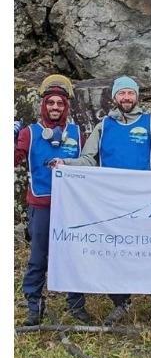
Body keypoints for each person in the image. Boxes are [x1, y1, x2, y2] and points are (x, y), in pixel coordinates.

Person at [51, 76, 151, 329]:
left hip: (145, 204)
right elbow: (88, 159)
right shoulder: (103, 125)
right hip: (113, 204)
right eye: (122, 94)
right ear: (114, 97)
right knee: (116, 253)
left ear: (137, 96)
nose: (126, 98)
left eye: (130, 93)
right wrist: (65, 164)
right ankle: (120, 302)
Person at [14, 74, 90, 325]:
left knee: (73, 254)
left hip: (71, 207)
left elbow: (91, 165)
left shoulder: (78, 134)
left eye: (59, 103)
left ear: (66, 106)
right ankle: (34, 305)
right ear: (43, 105)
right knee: (38, 257)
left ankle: (76, 305)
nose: (55, 107)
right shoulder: (30, 133)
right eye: (50, 103)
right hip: (41, 205)